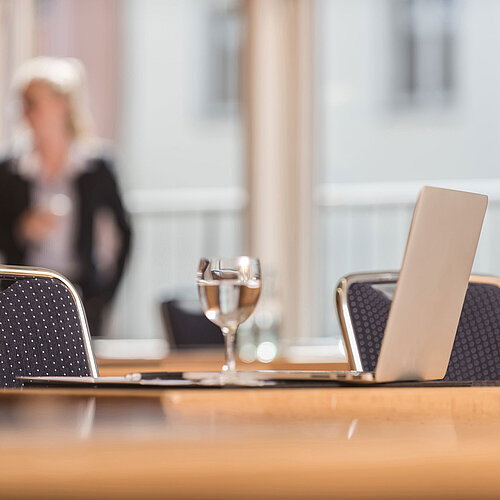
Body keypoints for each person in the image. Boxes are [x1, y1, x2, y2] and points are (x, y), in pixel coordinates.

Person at [0, 57, 131, 337]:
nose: (27, 112)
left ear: (63, 105)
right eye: (23, 103)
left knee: (77, 377)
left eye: (34, 102)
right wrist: (22, 229)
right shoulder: (9, 171)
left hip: (80, 296)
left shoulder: (96, 168)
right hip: (22, 298)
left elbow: (123, 236)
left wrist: (103, 298)